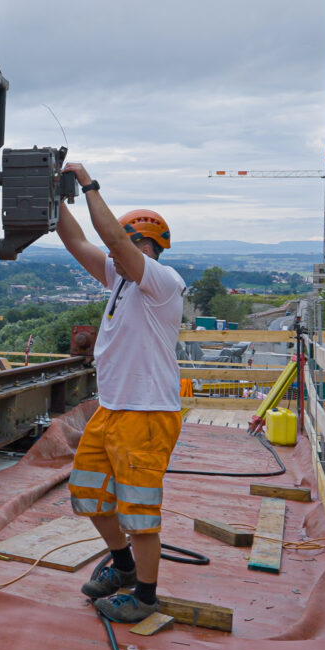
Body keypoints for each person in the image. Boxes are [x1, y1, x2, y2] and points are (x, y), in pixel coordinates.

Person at [56, 162, 186, 624]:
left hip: (146, 415)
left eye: (137, 246)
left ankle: (146, 596)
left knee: (139, 512)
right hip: (111, 409)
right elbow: (75, 242)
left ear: (151, 251)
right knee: (88, 493)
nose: (128, 253)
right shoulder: (119, 282)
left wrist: (88, 186)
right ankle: (124, 567)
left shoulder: (160, 283)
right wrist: (55, 196)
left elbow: (112, 241)